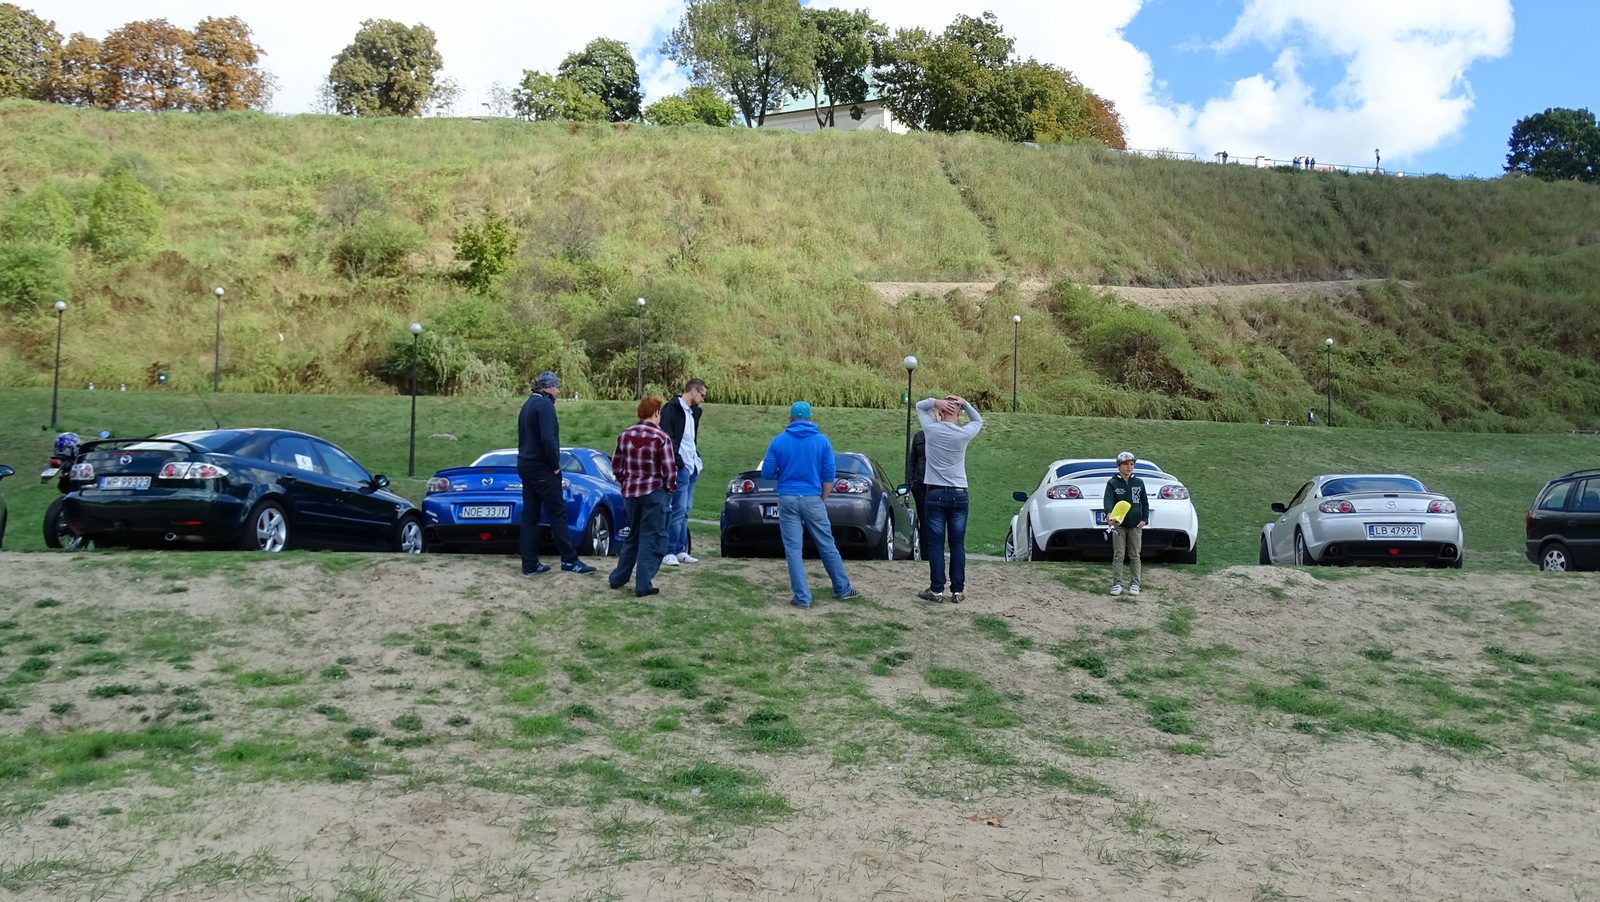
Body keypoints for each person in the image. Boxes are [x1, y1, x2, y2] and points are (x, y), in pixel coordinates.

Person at [761, 401, 860, 609]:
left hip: (787, 497)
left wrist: (784, 473)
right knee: (826, 544)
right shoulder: (821, 441)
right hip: (813, 498)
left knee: (793, 549)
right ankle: (843, 589)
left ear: (789, 419)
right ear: (810, 419)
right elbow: (828, 475)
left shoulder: (778, 441)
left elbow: (767, 473)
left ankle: (802, 597)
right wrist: (822, 498)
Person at [516, 371, 596, 576]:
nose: (558, 391)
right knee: (558, 512)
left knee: (530, 515)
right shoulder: (545, 405)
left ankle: (529, 563)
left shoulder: (527, 405)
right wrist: (555, 465)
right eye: (556, 387)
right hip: (542, 467)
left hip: (525, 464)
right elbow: (548, 439)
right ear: (547, 387)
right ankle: (569, 559)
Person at [915, 394, 984, 604]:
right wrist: (966, 404)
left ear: (940, 411)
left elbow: (920, 406)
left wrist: (934, 402)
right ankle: (957, 590)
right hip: (959, 492)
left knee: (936, 544)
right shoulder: (963, 434)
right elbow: (978, 420)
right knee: (957, 544)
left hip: (935, 492)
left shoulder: (931, 429)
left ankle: (937, 590)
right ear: (959, 414)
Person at [608, 397, 677, 597]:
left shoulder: (625, 435)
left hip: (631, 494)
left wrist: (626, 481)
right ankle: (643, 584)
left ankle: (618, 578)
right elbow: (669, 470)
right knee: (651, 537)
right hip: (655, 492)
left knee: (633, 536)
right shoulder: (661, 437)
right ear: (656, 413)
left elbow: (616, 466)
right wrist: (669, 488)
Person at [659, 378, 707, 567]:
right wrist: (678, 463)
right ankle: (669, 551)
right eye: (702, 395)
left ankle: (680, 549)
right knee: (677, 510)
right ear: (694, 391)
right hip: (680, 467)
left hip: (691, 466)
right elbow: (668, 438)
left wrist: (696, 460)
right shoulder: (671, 410)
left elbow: (690, 440)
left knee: (685, 510)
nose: (702, 399)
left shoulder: (693, 413)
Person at [1104, 451, 1149, 597]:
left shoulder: (1139, 482)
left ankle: (1135, 584)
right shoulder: (1112, 483)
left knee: (1135, 555)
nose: (1129, 467)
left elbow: (1144, 502)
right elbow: (1108, 500)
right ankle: (1117, 584)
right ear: (1119, 466)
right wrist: (1109, 514)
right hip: (1119, 525)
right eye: (1125, 464)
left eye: (1131, 464)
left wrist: (1144, 519)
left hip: (1135, 525)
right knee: (1119, 554)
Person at [908, 429, 929, 559]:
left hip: (934, 483)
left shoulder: (940, 434)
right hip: (920, 484)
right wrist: (911, 481)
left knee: (934, 519)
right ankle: (925, 554)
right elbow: (912, 460)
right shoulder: (919, 437)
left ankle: (932, 552)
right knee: (924, 519)